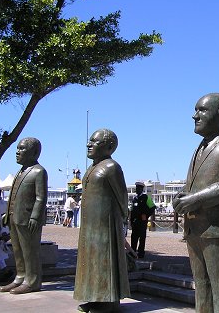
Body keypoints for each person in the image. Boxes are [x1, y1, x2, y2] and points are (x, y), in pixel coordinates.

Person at [173, 93, 219, 313]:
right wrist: (183, 196)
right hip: (196, 228)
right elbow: (193, 183)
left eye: (202, 110)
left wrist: (194, 199)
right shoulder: (199, 147)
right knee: (202, 287)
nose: (195, 116)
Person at [74, 129, 130, 313]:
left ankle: (108, 301)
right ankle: (94, 297)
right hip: (90, 225)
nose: (89, 144)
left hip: (105, 225)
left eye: (95, 141)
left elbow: (122, 197)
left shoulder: (111, 167)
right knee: (90, 262)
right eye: (89, 140)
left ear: (109, 146)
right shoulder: (91, 168)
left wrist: (122, 222)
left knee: (105, 261)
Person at [0, 137, 48, 294]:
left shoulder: (38, 171)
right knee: (18, 250)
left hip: (28, 219)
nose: (18, 152)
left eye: (22, 149)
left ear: (33, 152)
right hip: (15, 217)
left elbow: (41, 197)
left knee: (30, 251)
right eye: (17, 149)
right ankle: (20, 277)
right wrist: (7, 213)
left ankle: (32, 281)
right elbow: (13, 195)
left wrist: (34, 216)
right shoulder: (20, 172)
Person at [130, 182, 156, 258]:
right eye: (136, 188)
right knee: (134, 237)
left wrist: (146, 215)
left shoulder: (146, 197)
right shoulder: (135, 199)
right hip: (135, 221)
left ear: (142, 189)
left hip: (142, 221)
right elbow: (132, 210)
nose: (137, 190)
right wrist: (131, 221)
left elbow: (152, 207)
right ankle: (133, 251)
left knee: (142, 237)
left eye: (138, 189)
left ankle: (141, 253)